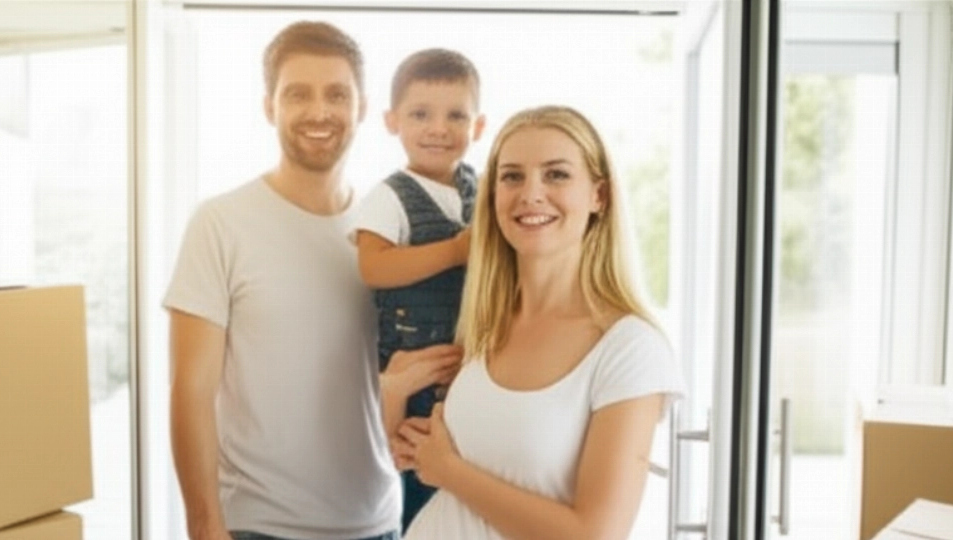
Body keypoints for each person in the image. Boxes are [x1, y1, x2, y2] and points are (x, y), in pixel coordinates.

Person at [164, 21, 413, 540]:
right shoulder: (220, 223)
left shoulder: (387, 234)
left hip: (378, 524)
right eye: (298, 94)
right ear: (269, 106)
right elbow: (190, 390)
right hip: (257, 527)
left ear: (361, 108)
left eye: (337, 95)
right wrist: (204, 527)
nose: (319, 112)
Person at [389, 105, 686, 540]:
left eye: (556, 174)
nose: (530, 193)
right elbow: (469, 455)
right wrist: (407, 415)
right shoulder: (487, 327)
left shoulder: (630, 349)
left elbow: (594, 534)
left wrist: (450, 471)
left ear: (598, 196)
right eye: (512, 176)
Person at [351, 47, 485, 531]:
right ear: (392, 121)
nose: (438, 128)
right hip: (411, 367)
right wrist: (454, 251)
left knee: (464, 490)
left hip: (468, 366)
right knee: (414, 478)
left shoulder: (483, 189)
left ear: (479, 126)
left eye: (456, 116)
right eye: (420, 114)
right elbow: (374, 267)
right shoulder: (390, 196)